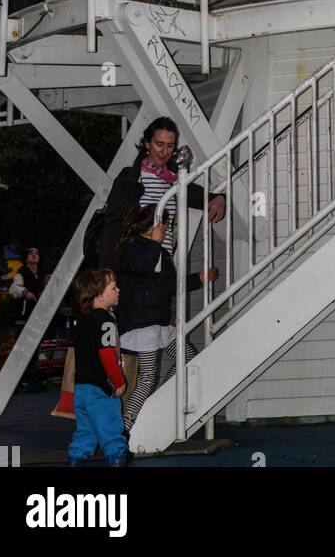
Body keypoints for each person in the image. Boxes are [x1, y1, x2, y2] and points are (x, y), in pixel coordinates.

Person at [115, 204, 217, 433]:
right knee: (147, 377)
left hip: (158, 322)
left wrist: (198, 279)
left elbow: (170, 284)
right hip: (141, 324)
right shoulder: (130, 249)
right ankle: (124, 428)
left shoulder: (159, 251)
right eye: (166, 225)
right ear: (156, 225)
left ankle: (154, 403)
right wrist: (155, 243)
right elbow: (141, 268)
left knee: (188, 358)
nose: (168, 229)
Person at [99, 118, 226, 275]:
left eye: (170, 146)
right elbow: (112, 225)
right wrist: (107, 271)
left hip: (162, 263)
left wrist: (220, 198)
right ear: (147, 143)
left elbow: (201, 197)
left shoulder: (172, 180)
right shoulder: (129, 179)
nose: (164, 152)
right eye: (159, 144)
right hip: (134, 265)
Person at [68, 267, 127, 467]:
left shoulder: (81, 321)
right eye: (113, 287)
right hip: (101, 389)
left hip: (82, 388)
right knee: (111, 430)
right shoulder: (106, 319)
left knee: (85, 431)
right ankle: (117, 461)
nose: (118, 290)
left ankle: (75, 460)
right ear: (100, 295)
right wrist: (118, 381)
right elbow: (107, 353)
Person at [8, 247, 46, 391]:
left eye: (36, 253)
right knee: (19, 353)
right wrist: (25, 293)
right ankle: (14, 385)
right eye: (31, 253)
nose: (34, 254)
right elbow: (13, 289)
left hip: (37, 320)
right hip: (23, 319)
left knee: (35, 352)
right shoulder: (21, 273)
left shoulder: (42, 275)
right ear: (26, 259)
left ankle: (33, 383)